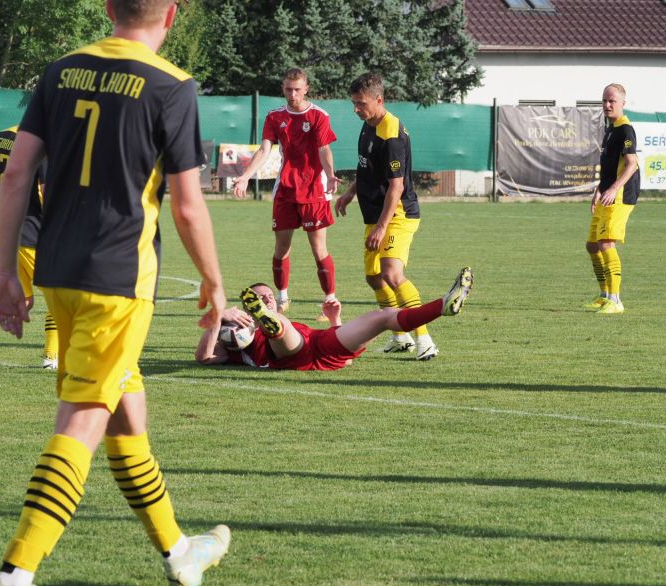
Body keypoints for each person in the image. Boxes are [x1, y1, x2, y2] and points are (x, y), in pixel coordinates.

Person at [0, 1, 254, 586]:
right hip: (117, 280)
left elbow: (15, 174)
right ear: (173, 15)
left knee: (127, 413)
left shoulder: (60, 70)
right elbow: (187, 205)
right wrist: (214, 287)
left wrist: (5, 271)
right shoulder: (173, 86)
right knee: (83, 420)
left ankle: (179, 550)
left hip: (56, 270)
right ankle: (15, 576)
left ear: (108, 8)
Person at [335, 73, 437, 361]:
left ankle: (425, 339)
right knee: (374, 278)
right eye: (353, 103)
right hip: (374, 214)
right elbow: (366, 167)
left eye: (361, 103)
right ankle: (399, 336)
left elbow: (397, 185)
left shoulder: (391, 133)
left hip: (398, 213)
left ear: (379, 100)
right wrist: (350, 193)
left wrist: (381, 227)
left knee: (391, 273)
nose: (356, 108)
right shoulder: (368, 125)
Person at [196, 267, 473, 371]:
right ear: (248, 308)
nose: (268, 298)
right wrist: (218, 317)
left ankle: (443, 306)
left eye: (269, 297)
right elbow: (203, 357)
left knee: (384, 316)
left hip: (322, 346)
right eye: (259, 298)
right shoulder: (238, 332)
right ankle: (274, 326)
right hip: (286, 353)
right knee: (282, 331)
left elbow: (349, 359)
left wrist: (335, 320)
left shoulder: (269, 319)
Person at [233, 67, 340, 320]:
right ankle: (281, 299)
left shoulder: (318, 116)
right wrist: (246, 176)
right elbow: (264, 150)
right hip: (286, 191)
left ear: (306, 89)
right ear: (283, 89)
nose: (292, 94)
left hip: (314, 191)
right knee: (281, 250)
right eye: (288, 89)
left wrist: (331, 174)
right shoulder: (274, 117)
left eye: (297, 89)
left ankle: (330, 301)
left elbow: (324, 149)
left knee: (319, 250)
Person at [0, 126, 59, 369]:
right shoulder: (41, 142)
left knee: (24, 301)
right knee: (57, 299)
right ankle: (51, 358)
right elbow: (45, 192)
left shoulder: (0, 138)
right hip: (30, 233)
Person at [584, 83, 640, 315]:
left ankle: (616, 300)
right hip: (607, 193)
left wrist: (613, 188)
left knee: (607, 243)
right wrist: (600, 189)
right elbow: (609, 166)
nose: (607, 105)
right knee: (592, 245)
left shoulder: (626, 129)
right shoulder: (610, 130)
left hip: (620, 196)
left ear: (622, 103)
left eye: (612, 101)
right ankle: (604, 295)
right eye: (605, 101)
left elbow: (631, 164)